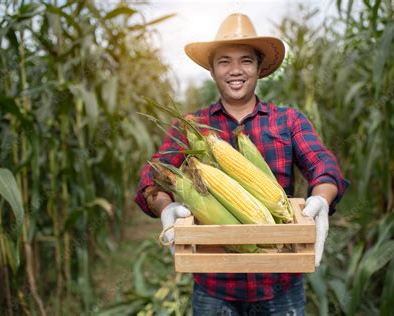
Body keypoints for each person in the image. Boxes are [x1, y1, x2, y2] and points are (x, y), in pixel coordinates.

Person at [135, 13, 349, 315]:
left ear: (260, 68)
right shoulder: (192, 127)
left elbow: (322, 164)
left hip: (280, 285)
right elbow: (151, 177)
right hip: (215, 287)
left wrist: (321, 199)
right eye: (224, 61)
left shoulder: (288, 120)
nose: (235, 70)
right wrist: (165, 207)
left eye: (246, 61)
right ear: (211, 70)